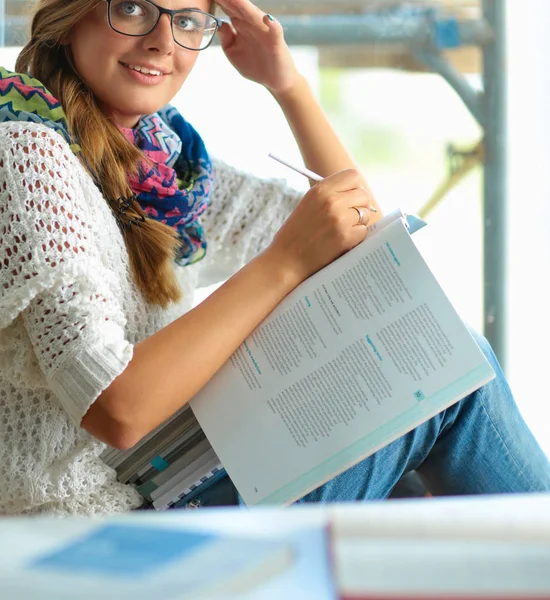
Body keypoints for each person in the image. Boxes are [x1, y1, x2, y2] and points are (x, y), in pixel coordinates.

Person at [0, 0, 548, 516]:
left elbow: (358, 235)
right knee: (447, 376)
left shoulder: (160, 167)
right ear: (75, 15)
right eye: (134, 8)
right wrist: (284, 262)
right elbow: (116, 408)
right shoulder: (29, 154)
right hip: (96, 523)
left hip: (165, 478)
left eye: (190, 20)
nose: (162, 42)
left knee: (428, 388)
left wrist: (288, 86)